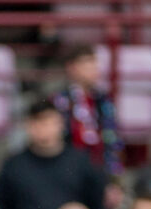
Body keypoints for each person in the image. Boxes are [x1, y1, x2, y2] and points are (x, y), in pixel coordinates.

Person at [0, 98, 104, 209]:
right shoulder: (14, 165)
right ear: (28, 126)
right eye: (37, 122)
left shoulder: (81, 163)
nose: (43, 128)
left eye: (49, 122)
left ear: (61, 124)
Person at [51, 45, 122, 178]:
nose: (93, 69)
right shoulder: (60, 101)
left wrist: (114, 176)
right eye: (86, 64)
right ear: (71, 68)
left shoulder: (104, 100)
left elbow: (112, 139)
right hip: (68, 170)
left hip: (100, 168)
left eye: (94, 64)